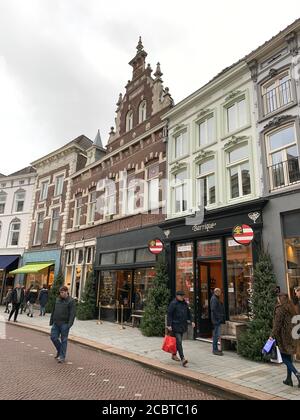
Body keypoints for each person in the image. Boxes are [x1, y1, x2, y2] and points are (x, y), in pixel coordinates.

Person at [270, 293, 300, 388]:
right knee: (288, 357)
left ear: (280, 299)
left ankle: (297, 374)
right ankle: (288, 379)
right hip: (292, 336)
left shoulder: (280, 309)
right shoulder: (291, 307)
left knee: (284, 358)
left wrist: (272, 336)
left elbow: (277, 324)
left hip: (284, 337)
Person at [167, 291, 195, 367]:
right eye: (181, 296)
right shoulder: (173, 303)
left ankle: (174, 355)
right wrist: (169, 325)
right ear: (177, 296)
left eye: (183, 296)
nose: (183, 297)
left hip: (182, 325)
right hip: (175, 325)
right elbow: (169, 314)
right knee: (179, 341)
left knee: (178, 342)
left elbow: (189, 313)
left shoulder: (184, 303)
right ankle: (183, 359)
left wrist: (192, 321)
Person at [50, 286, 76, 363]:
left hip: (64, 324)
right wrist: (51, 320)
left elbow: (72, 314)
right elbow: (53, 310)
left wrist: (69, 325)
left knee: (64, 340)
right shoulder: (57, 299)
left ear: (66, 292)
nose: (61, 294)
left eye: (62, 292)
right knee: (53, 337)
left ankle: (62, 356)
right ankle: (60, 350)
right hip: (56, 323)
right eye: (60, 292)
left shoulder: (71, 301)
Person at [210, 288, 225, 356]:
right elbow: (213, 310)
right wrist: (219, 317)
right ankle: (215, 350)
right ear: (216, 292)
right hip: (216, 320)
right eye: (220, 292)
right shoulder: (214, 299)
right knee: (216, 335)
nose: (220, 293)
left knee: (216, 334)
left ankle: (216, 349)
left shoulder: (216, 298)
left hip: (216, 319)